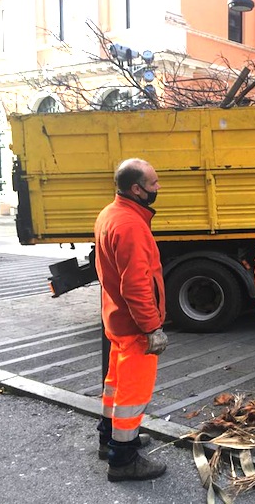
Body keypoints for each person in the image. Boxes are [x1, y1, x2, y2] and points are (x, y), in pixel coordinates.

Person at [94, 158, 168, 482]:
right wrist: (152, 327)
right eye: (153, 184)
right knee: (132, 393)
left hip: (117, 321)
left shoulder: (111, 214)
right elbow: (136, 284)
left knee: (115, 384)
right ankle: (123, 460)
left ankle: (108, 437)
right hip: (135, 327)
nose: (158, 188)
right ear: (137, 189)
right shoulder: (131, 225)